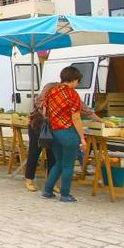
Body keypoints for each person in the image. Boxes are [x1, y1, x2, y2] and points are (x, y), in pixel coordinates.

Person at [25, 80, 101, 191]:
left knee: (53, 155)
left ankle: (51, 183)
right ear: (73, 81)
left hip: (54, 127)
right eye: (77, 82)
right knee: (34, 152)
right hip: (39, 124)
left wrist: (101, 121)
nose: (77, 85)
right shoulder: (51, 87)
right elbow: (39, 103)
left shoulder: (71, 94)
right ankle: (29, 180)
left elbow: (85, 110)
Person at [41, 66, 87, 203]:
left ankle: (47, 191)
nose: (77, 84)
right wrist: (82, 138)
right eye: (78, 81)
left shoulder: (51, 91)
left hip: (53, 132)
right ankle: (65, 195)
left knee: (59, 163)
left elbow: (44, 112)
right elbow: (76, 118)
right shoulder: (73, 95)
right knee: (68, 165)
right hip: (68, 133)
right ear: (74, 79)